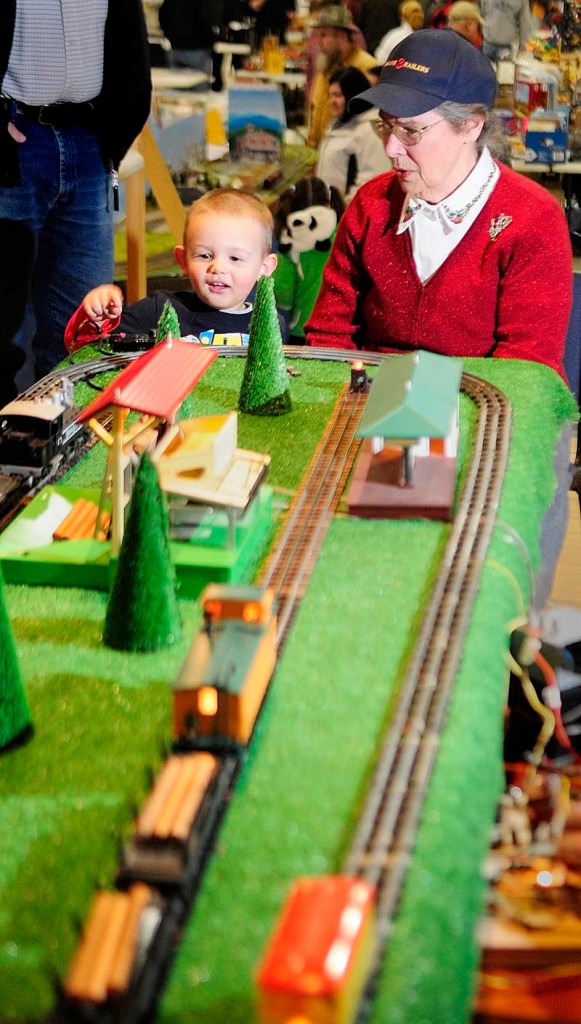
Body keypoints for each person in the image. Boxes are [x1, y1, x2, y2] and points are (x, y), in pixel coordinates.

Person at [305, 28, 572, 378]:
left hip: (480, 415)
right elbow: (329, 335)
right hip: (365, 406)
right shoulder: (371, 204)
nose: (391, 148)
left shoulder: (531, 219)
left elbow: (524, 373)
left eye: (411, 131)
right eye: (385, 126)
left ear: (472, 126)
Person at [0, 0, 152, 399]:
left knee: (86, 328)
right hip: (14, 139)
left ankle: (73, 450)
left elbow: (127, 38)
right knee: (5, 333)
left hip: (89, 138)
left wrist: (113, 135)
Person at [65, 189, 282, 351]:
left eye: (235, 258)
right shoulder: (159, 309)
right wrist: (98, 314)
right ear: (183, 260)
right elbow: (86, 349)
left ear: (265, 267)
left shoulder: (272, 323)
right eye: (204, 255)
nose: (218, 268)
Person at [273, 176, 345, 343]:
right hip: (343, 326)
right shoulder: (345, 235)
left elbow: (283, 293)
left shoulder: (290, 243)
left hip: (304, 327)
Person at [316, 67, 391, 200]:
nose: (332, 101)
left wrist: (347, 211)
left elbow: (372, 180)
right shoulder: (336, 124)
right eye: (330, 95)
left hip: (349, 214)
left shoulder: (370, 130)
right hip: (329, 213)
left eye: (338, 95)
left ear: (353, 95)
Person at [307, 5, 377, 148]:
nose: (319, 43)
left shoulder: (366, 68)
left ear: (342, 37)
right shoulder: (325, 67)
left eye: (324, 35)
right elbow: (314, 111)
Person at [158, 0, 223, 88]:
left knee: (175, 88)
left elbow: (163, 15)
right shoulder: (203, 3)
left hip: (175, 47)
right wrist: (211, 41)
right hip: (198, 48)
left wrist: (169, 35)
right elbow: (207, 20)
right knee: (200, 89)